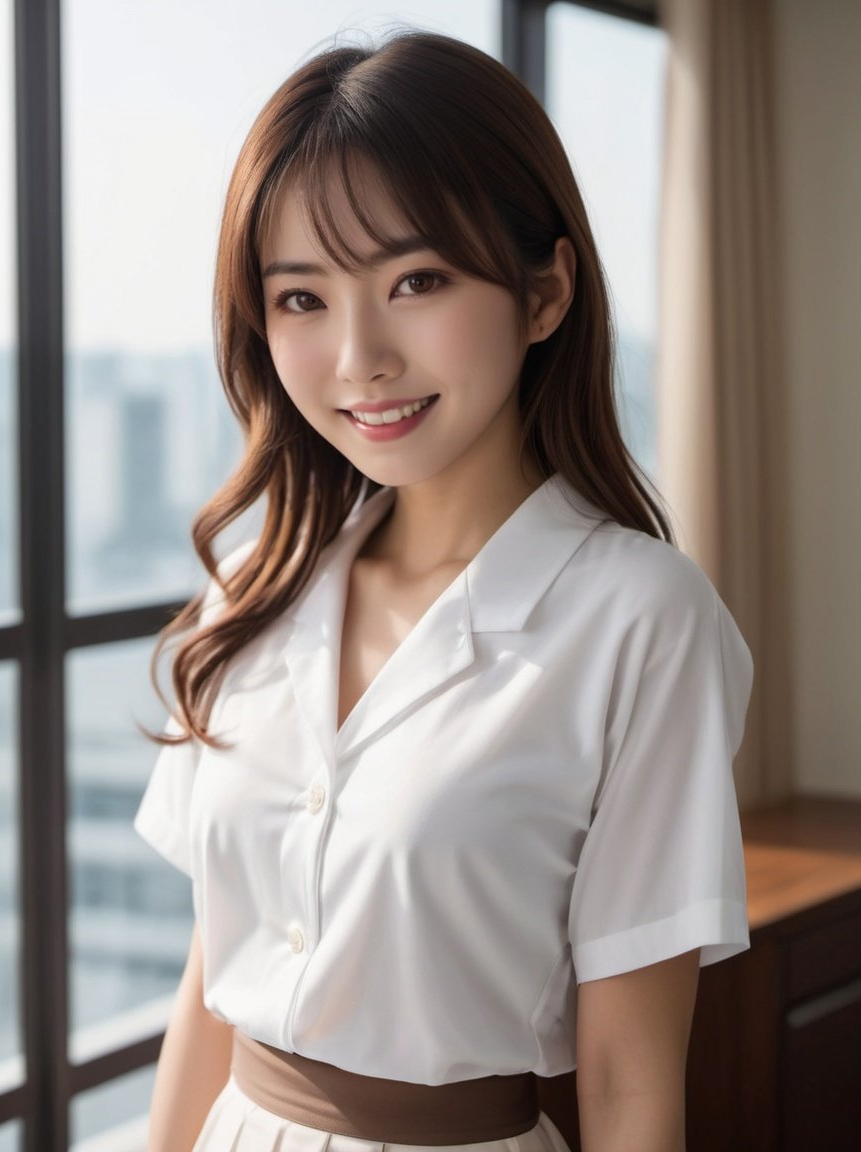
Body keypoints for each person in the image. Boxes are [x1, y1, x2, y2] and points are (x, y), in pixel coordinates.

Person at [134, 29, 753, 1152]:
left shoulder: (638, 620)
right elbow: (209, 986)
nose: (359, 355)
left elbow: (624, 1080)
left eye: (416, 280)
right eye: (301, 299)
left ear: (544, 290)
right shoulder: (256, 591)